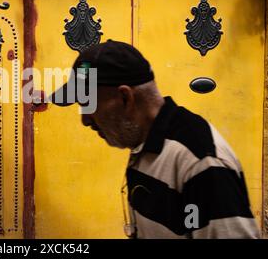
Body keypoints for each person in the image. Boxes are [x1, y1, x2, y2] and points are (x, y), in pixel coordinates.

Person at [49, 39, 260, 239]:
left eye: (88, 104)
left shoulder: (200, 162)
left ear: (125, 98)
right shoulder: (144, 147)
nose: (85, 120)